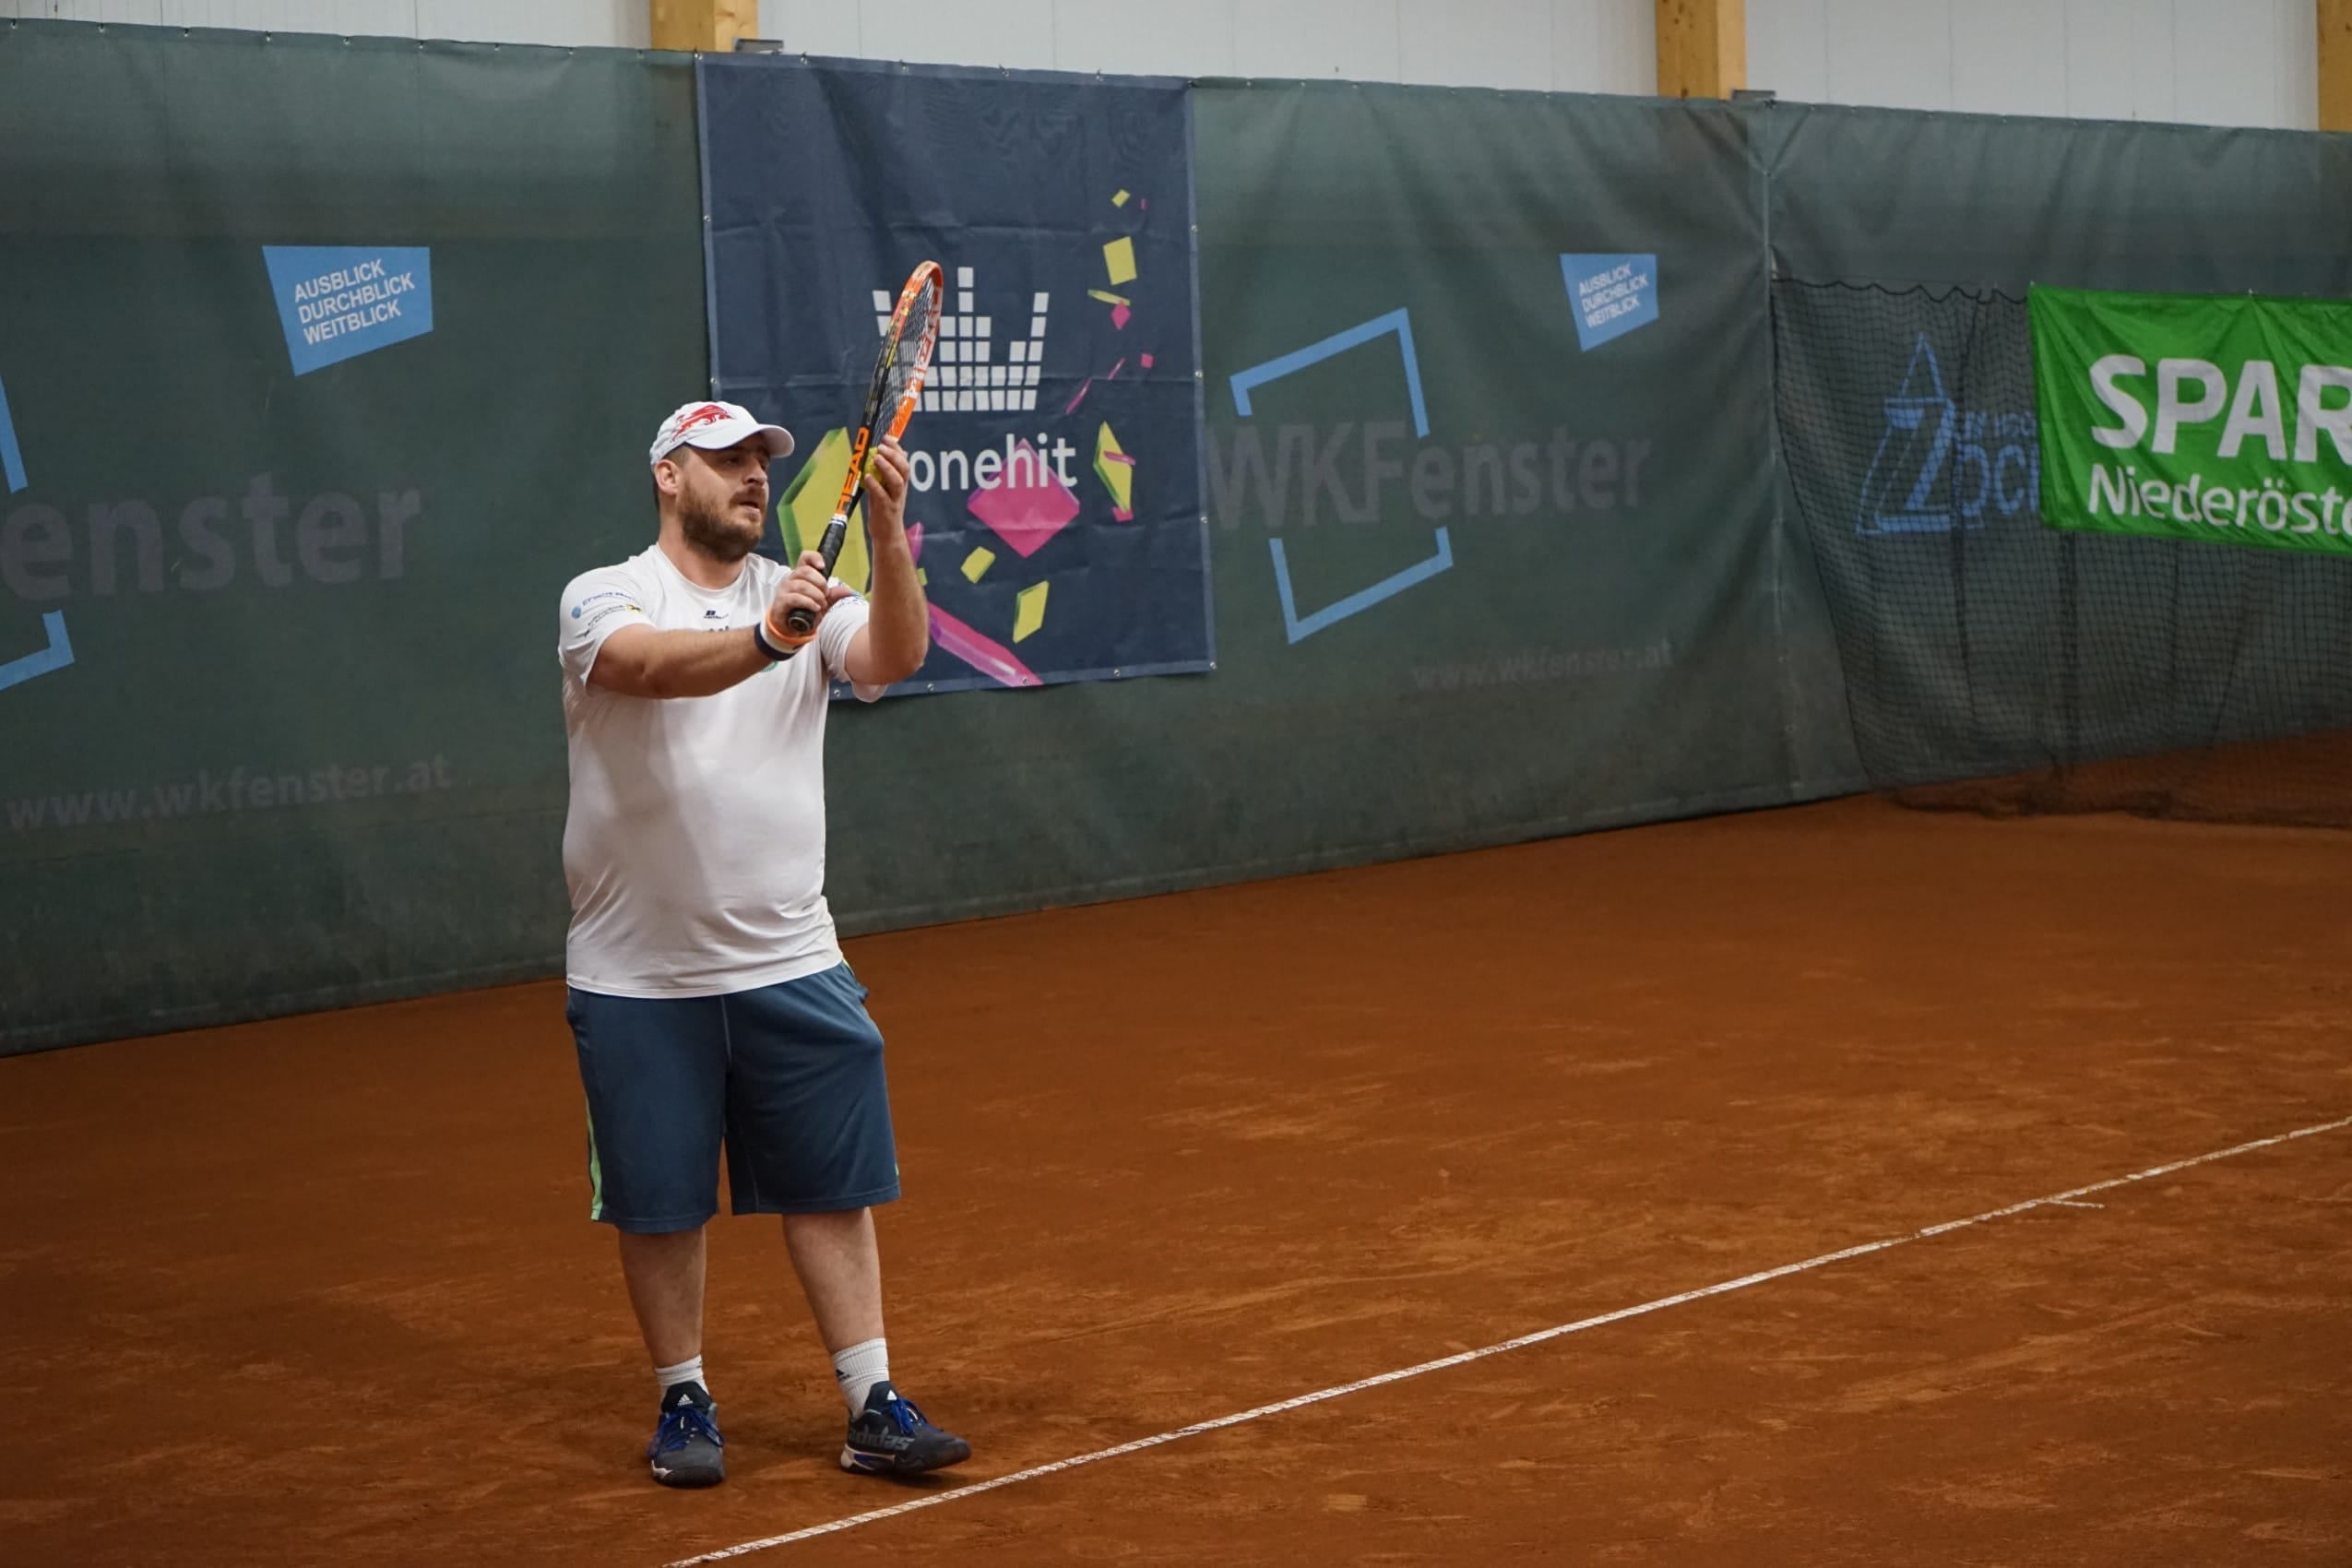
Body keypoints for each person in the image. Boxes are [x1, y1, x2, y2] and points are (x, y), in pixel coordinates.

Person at [555, 399, 968, 1488]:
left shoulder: (804, 591)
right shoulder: (603, 594)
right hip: (639, 974)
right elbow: (650, 668)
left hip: (794, 960)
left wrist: (887, 535)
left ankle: (872, 1400)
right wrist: (765, 639)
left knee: (831, 1188)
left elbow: (893, 652)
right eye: (724, 458)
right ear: (666, 475)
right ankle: (683, 1397)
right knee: (660, 1200)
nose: (751, 473)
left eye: (759, 459)